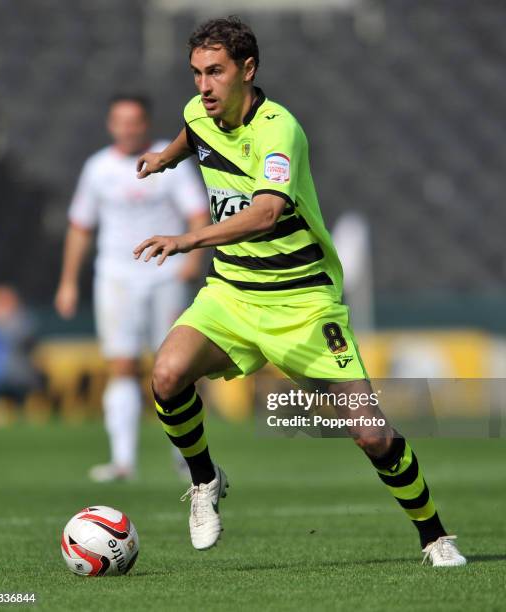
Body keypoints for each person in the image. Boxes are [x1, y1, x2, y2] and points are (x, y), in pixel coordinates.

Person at [134, 17, 466, 566]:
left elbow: (266, 213)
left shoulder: (278, 129)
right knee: (167, 375)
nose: (203, 86)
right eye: (196, 73)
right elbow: (192, 135)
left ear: (248, 70)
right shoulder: (198, 113)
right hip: (233, 294)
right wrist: (164, 159)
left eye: (215, 72)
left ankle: (434, 535)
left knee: (372, 436)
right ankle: (204, 482)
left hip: (303, 303)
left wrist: (188, 239)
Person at [55, 94, 209, 482]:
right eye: (120, 121)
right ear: (111, 124)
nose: (128, 128)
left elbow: (196, 212)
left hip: (165, 274)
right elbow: (80, 225)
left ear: (146, 124)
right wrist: (68, 282)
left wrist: (191, 261)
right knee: (122, 366)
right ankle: (122, 461)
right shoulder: (98, 169)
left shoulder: (167, 159)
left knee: (172, 369)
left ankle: (186, 458)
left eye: (135, 121)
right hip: (116, 277)